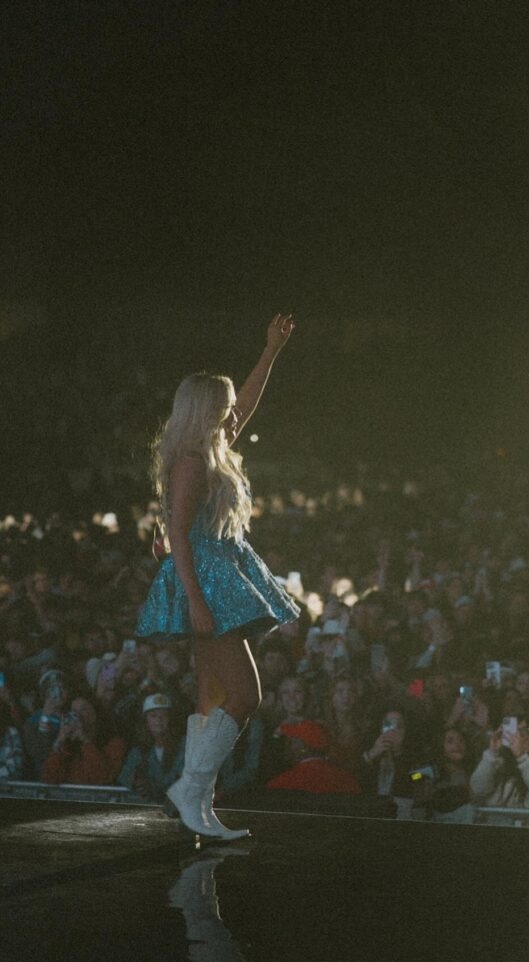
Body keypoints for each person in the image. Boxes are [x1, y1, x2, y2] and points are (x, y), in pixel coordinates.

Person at [135, 314, 301, 840]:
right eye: (225, 409)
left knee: (211, 694)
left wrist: (270, 350)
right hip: (205, 579)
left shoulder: (212, 448)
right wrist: (197, 601)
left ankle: (198, 803)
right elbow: (177, 533)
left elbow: (248, 402)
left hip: (218, 572)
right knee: (245, 695)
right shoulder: (190, 461)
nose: (235, 416)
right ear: (204, 411)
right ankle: (192, 786)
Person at [40, 695, 127, 786]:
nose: (77, 716)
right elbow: (48, 778)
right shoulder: (67, 744)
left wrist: (85, 740)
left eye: (83, 710)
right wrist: (60, 740)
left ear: (96, 713)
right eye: (73, 711)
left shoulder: (115, 743)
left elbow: (101, 778)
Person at [118, 692, 185, 801]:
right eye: (153, 715)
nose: (159, 720)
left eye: (163, 715)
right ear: (145, 720)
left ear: (171, 719)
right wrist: (135, 780)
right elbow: (124, 778)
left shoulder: (185, 745)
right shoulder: (138, 750)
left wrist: (154, 787)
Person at [265, 720, 362, 794]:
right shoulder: (349, 782)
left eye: (293, 742)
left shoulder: (279, 784)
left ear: (302, 748)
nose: (290, 747)